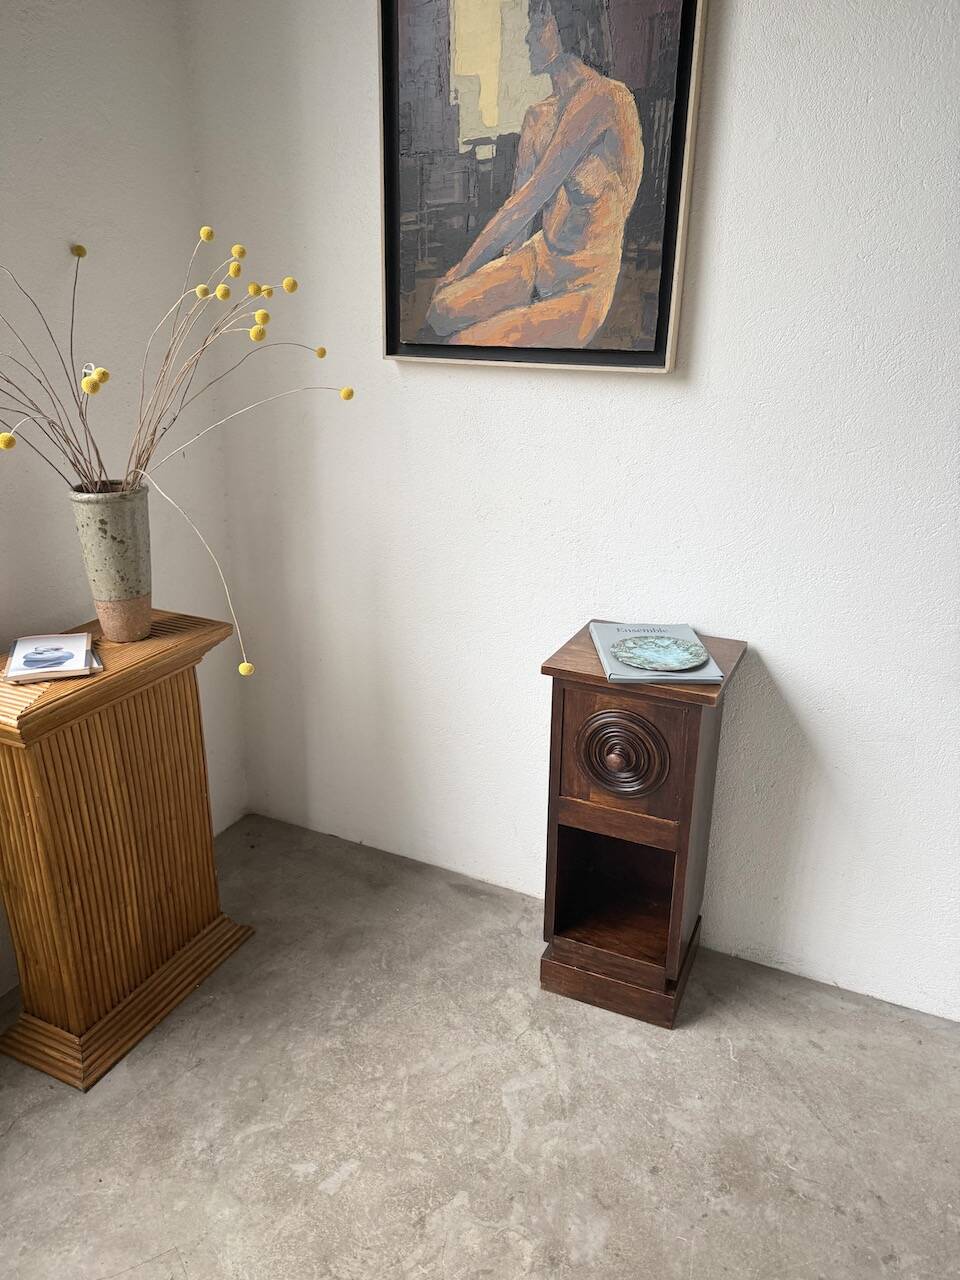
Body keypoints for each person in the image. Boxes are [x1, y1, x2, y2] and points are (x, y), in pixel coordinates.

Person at [427, 0, 643, 348]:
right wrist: (506, 282)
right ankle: (526, 309)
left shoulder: (607, 98)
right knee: (440, 310)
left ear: (567, 24)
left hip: (583, 282)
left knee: (464, 342)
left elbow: (527, 203)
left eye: (538, 22)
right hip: (539, 257)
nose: (527, 37)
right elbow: (518, 215)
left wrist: (461, 270)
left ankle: (539, 316)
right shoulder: (537, 116)